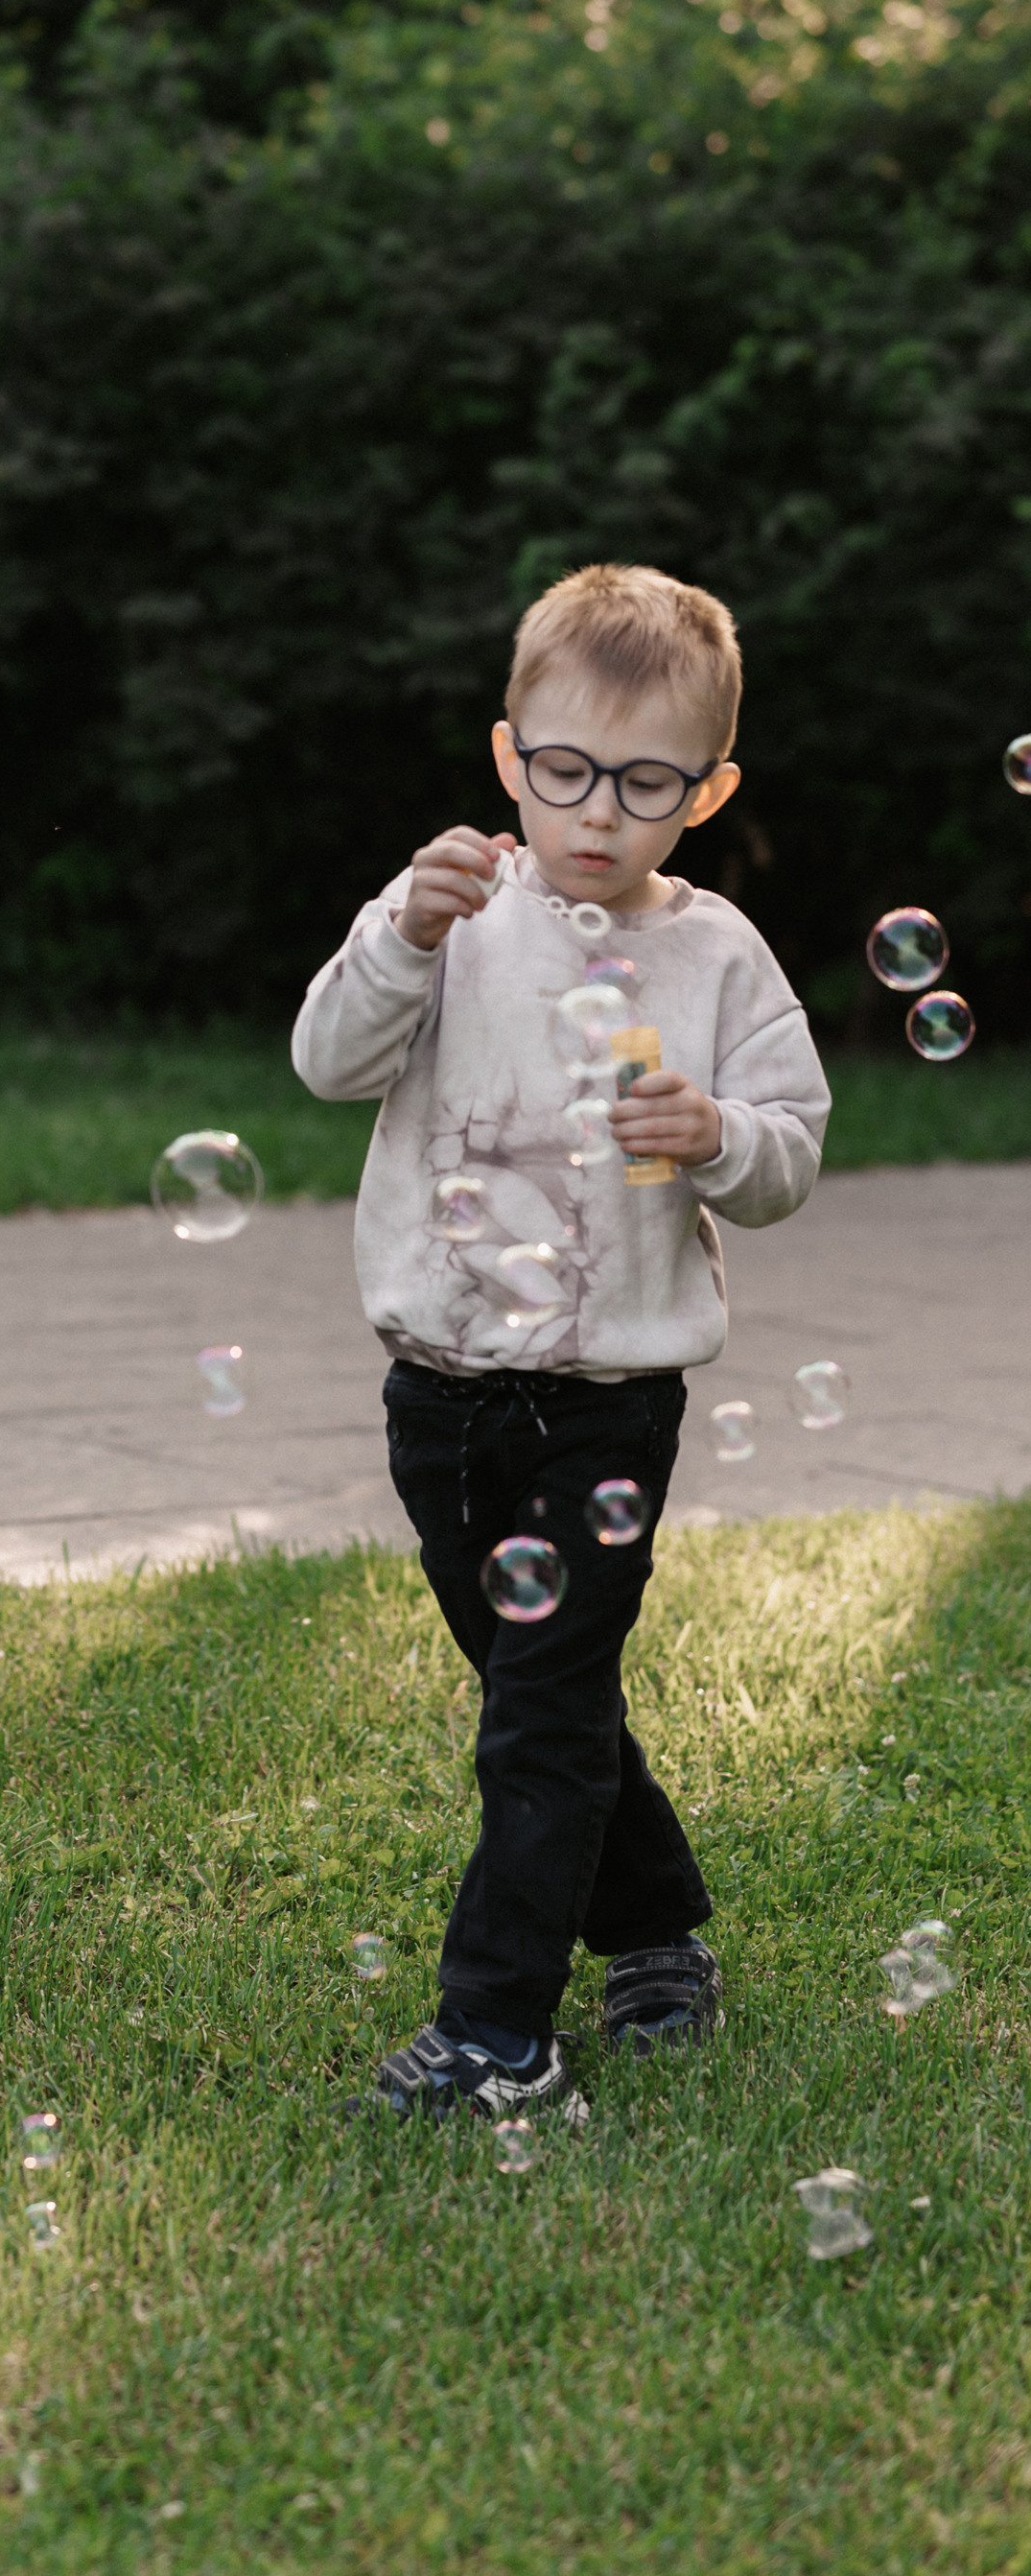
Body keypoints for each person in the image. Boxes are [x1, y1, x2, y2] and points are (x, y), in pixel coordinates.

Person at [292, 564, 829, 2120]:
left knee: (535, 1717)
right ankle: (655, 1930)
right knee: (546, 1694)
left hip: (607, 1403)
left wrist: (716, 1131)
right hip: (440, 1395)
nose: (597, 811)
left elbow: (787, 1155)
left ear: (707, 791)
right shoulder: (447, 913)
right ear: (506, 755)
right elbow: (326, 1063)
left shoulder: (716, 955)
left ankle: (496, 2033)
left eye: (646, 782)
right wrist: (399, 936)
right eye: (566, 770)